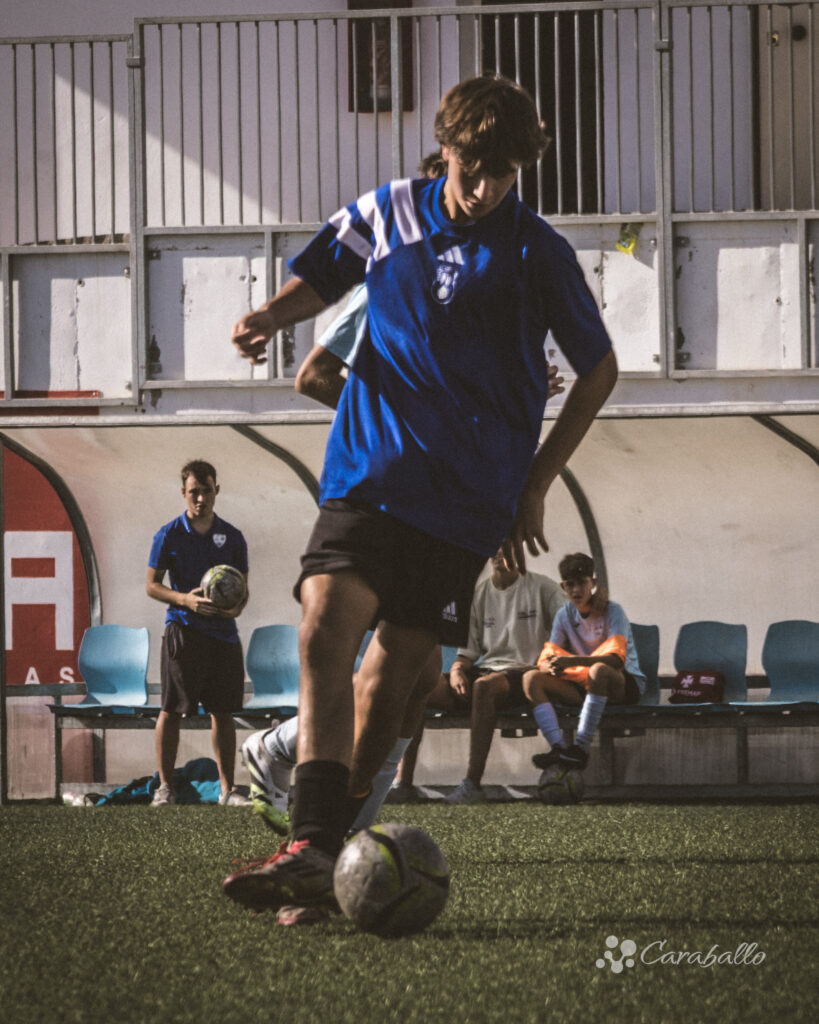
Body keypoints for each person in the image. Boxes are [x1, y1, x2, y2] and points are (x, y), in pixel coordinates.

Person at [223, 74, 618, 915]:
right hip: (369, 475)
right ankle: (311, 842)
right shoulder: (389, 211)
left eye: (504, 174)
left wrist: (535, 483)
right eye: (474, 170)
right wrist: (269, 316)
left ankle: (328, 851)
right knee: (323, 624)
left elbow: (598, 370)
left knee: (393, 689)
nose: (485, 189)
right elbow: (324, 278)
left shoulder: (536, 252)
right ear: (446, 149)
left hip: (466, 502)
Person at [395, 549, 564, 805]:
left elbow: (572, 622)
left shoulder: (543, 587)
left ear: (519, 550)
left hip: (526, 673)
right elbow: (467, 654)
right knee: (420, 685)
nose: (500, 554)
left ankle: (471, 785)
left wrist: (557, 659)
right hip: (488, 672)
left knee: (484, 687)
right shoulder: (480, 593)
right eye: (495, 548)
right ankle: (402, 783)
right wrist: (456, 671)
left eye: (507, 547)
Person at [146, 459, 251, 806]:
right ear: (183, 493)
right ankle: (165, 788)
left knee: (223, 712)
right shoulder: (169, 534)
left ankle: (227, 790)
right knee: (171, 709)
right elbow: (151, 585)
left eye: (207, 491)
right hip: (183, 631)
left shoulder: (232, 536)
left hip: (223, 636)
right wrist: (184, 600)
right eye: (194, 492)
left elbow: (242, 589)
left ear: (216, 490)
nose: (201, 498)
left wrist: (235, 609)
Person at [524, 552, 645, 774]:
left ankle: (580, 748)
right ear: (563, 587)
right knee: (531, 678)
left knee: (598, 670)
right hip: (586, 684)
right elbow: (546, 657)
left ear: (593, 583)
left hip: (622, 684)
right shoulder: (564, 614)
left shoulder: (613, 611)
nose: (576, 590)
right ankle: (558, 748)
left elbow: (615, 660)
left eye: (582, 583)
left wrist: (572, 661)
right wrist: (548, 666)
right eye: (570, 584)